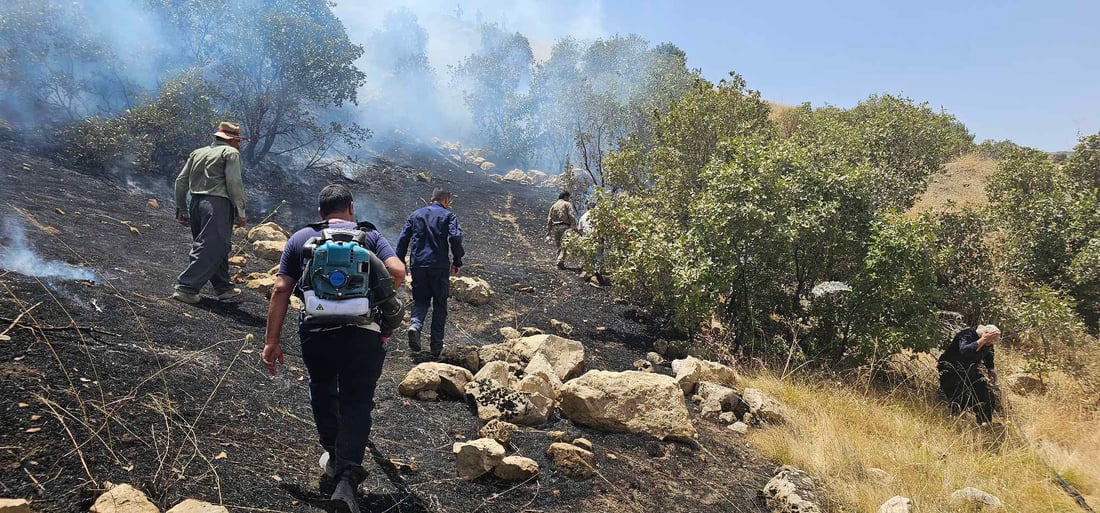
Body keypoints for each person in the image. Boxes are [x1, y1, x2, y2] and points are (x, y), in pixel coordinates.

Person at [261, 185, 405, 513]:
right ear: (351, 209)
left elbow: (280, 289)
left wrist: (272, 341)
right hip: (364, 333)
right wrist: (376, 299)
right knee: (357, 399)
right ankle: (346, 477)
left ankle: (332, 452)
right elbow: (397, 271)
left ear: (320, 213)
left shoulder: (301, 239)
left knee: (322, 389)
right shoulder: (370, 237)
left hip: (316, 330)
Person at [172, 121, 249, 304]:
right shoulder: (230, 153)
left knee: (218, 245)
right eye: (238, 141)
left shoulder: (198, 152)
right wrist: (241, 211)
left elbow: (180, 181)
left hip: (196, 204)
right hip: (217, 205)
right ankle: (186, 288)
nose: (239, 144)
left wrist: (182, 207)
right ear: (232, 140)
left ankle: (224, 287)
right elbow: (234, 184)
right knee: (211, 246)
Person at [396, 188, 464, 357]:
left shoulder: (416, 214)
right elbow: (455, 238)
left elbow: (403, 238)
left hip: (418, 264)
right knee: (440, 304)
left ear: (431, 199)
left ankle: (415, 326)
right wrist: (457, 260)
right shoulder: (449, 216)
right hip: (439, 265)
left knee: (420, 300)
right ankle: (436, 346)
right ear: (446, 201)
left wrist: (399, 261)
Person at [938, 324, 1001, 424]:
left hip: (969, 370)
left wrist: (990, 369)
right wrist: (983, 340)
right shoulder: (967, 335)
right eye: (990, 341)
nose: (990, 344)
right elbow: (965, 351)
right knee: (960, 396)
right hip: (951, 370)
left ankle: (984, 425)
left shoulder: (988, 343)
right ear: (984, 334)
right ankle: (955, 423)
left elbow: (989, 353)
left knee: (986, 396)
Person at [545, 191, 578, 269]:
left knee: (559, 245)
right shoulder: (567, 204)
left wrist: (548, 231)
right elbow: (571, 215)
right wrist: (574, 226)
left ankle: (559, 261)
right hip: (565, 226)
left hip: (555, 227)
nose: (569, 199)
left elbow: (549, 219)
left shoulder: (553, 206)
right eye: (568, 197)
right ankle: (560, 260)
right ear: (565, 197)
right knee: (565, 244)